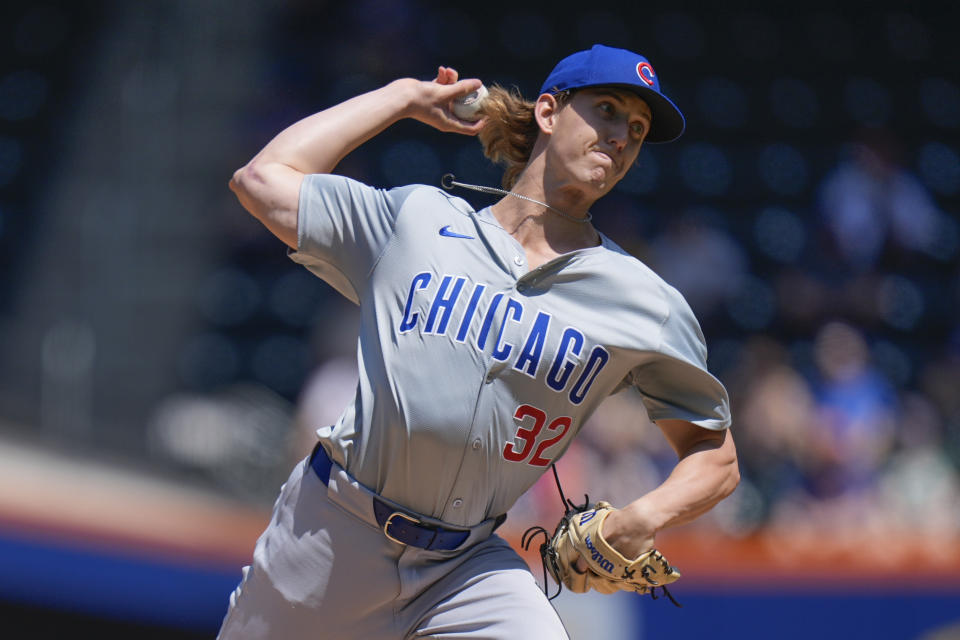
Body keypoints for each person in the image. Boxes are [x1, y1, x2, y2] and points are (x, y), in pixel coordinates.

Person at [219, 44, 738, 640]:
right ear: (549, 112)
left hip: (465, 568)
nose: (622, 135)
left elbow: (716, 457)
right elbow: (261, 179)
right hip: (331, 534)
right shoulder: (415, 221)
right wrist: (403, 99)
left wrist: (643, 516)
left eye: (639, 128)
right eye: (608, 110)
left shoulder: (643, 300)